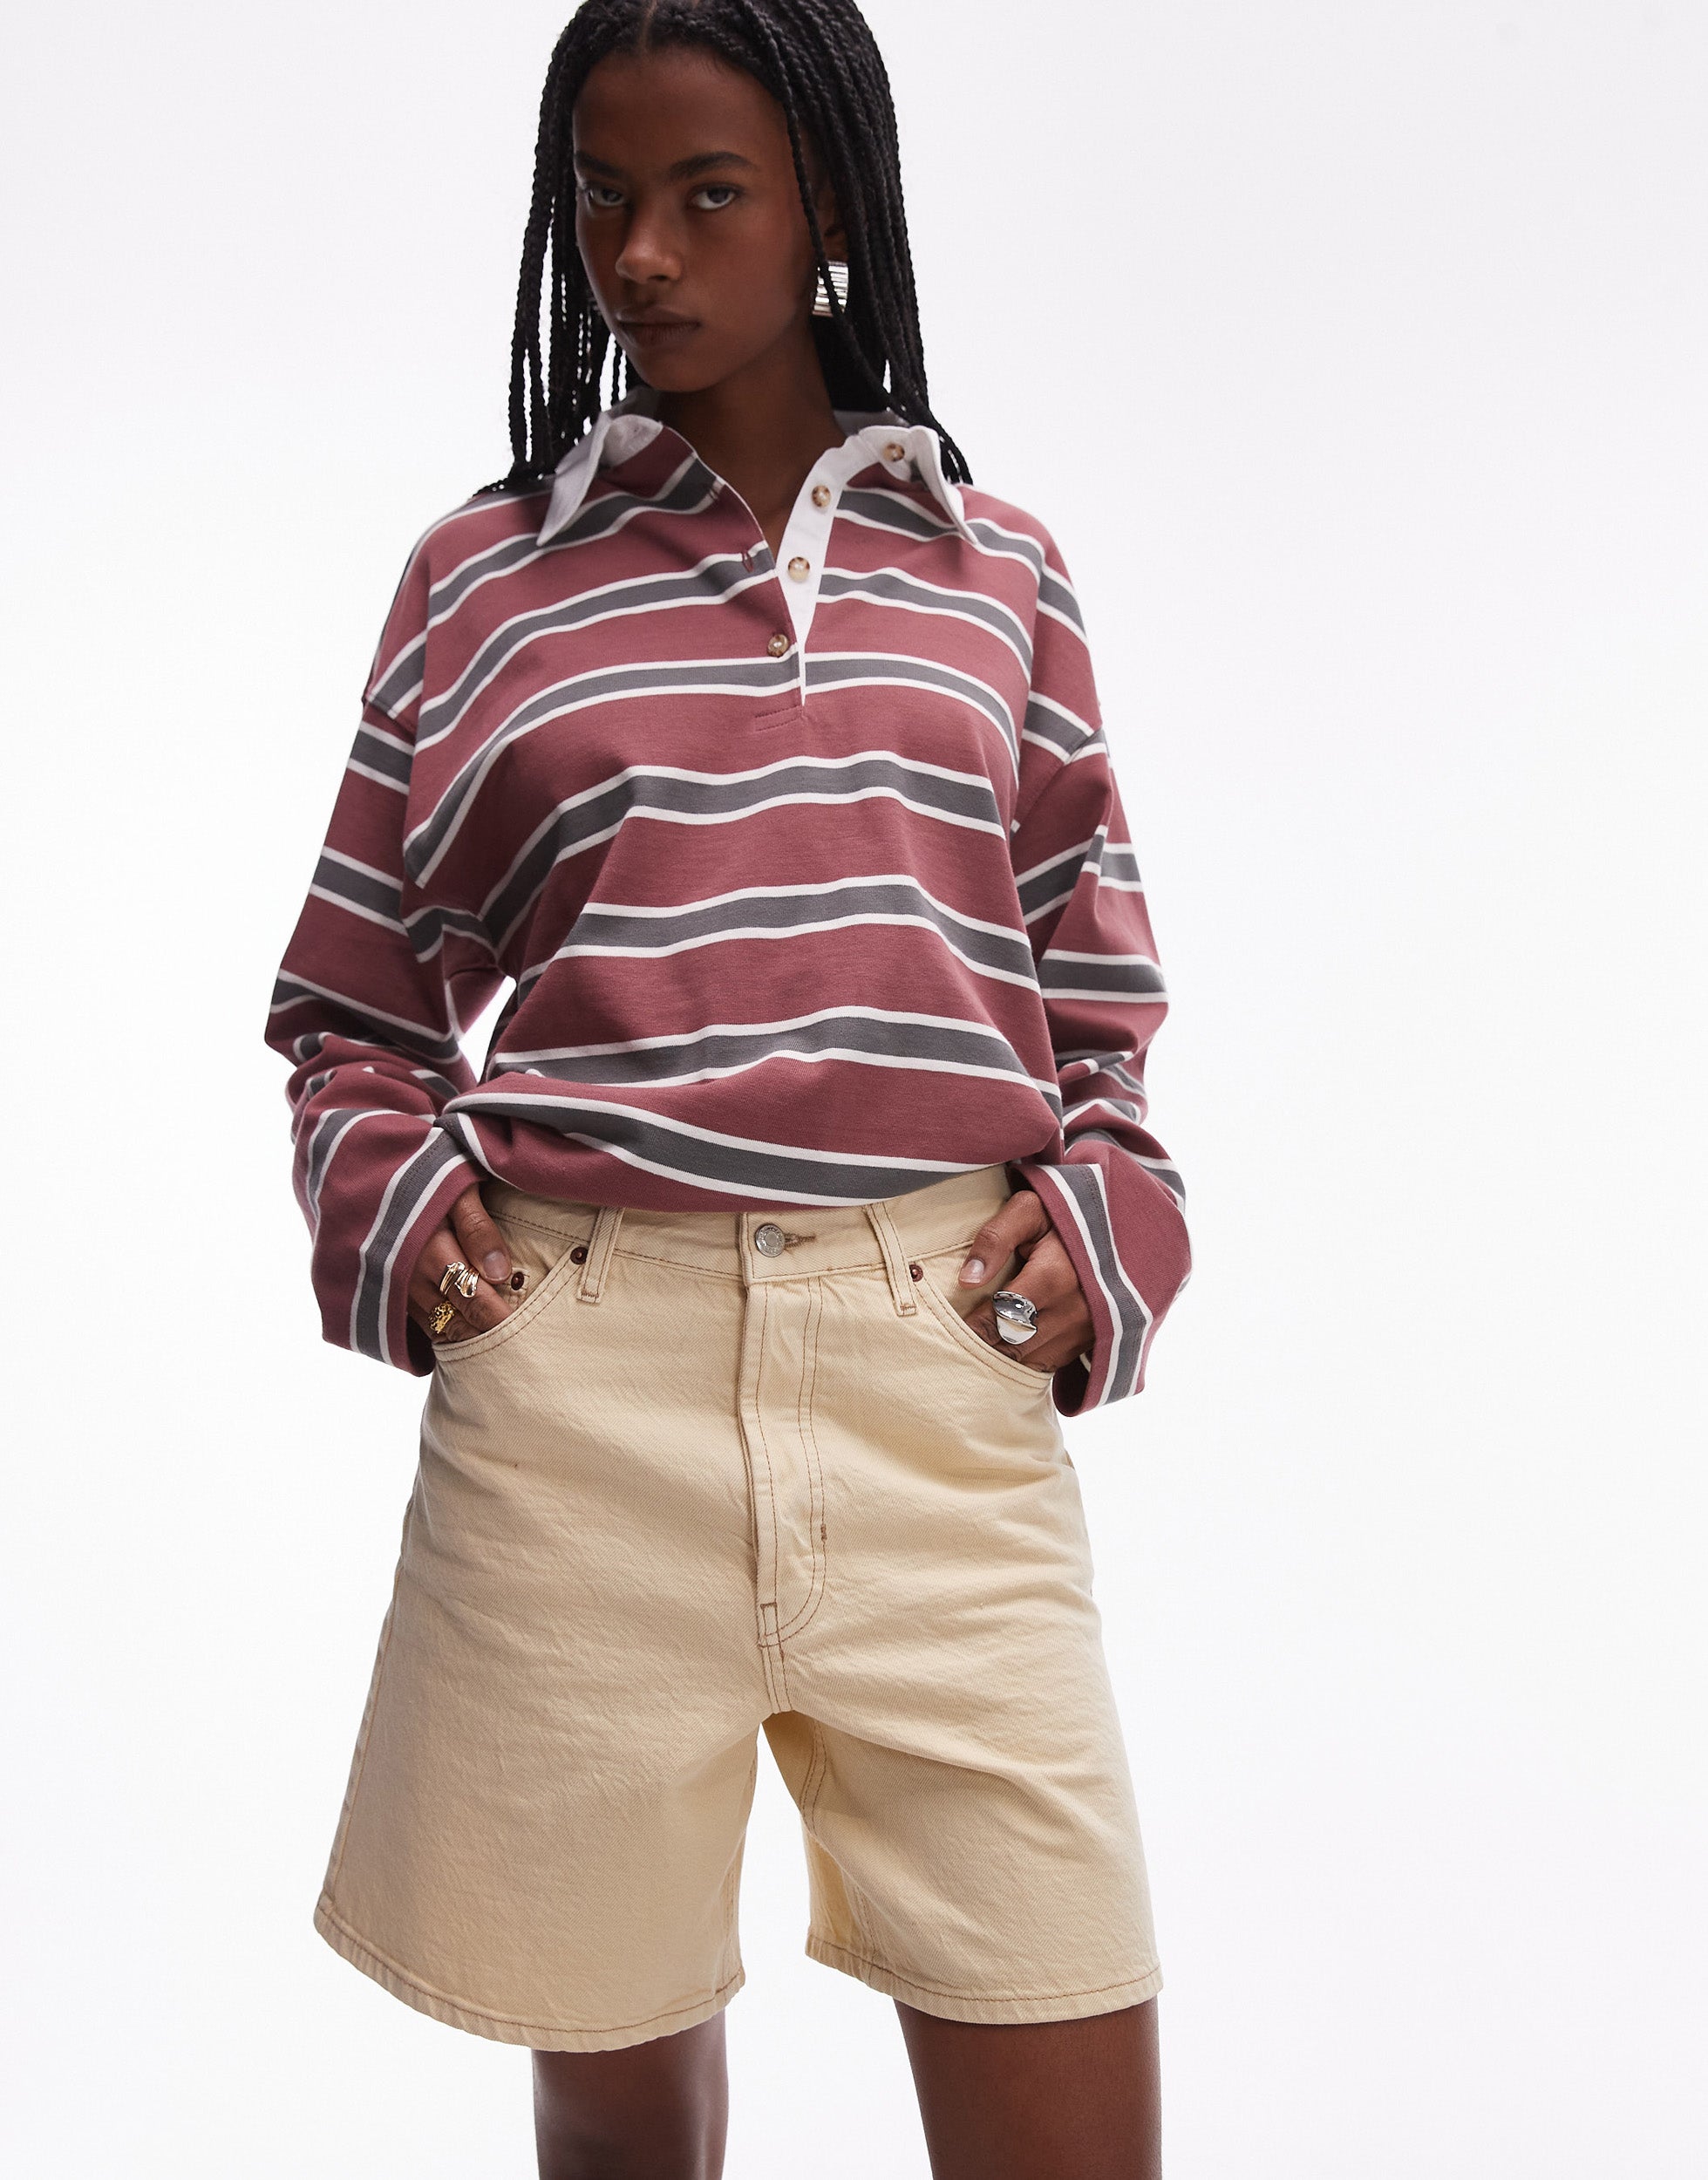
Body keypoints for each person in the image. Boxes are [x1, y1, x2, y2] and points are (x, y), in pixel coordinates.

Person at [266, 3, 1192, 2172]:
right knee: (618, 2133)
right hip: (579, 1404)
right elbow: (353, 1001)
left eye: (707, 195)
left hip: (935, 1380)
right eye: (601, 197)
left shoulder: (993, 567)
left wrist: (1108, 1225)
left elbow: (1095, 1000)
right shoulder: (483, 579)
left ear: (829, 205)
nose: (641, 259)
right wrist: (404, 1222)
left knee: (1067, 2076)